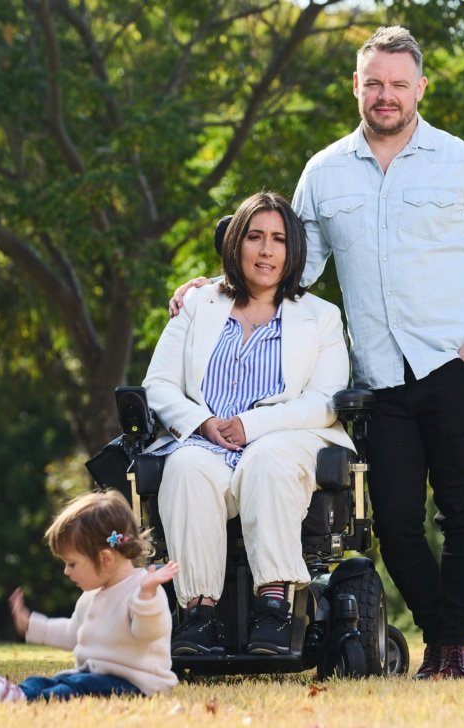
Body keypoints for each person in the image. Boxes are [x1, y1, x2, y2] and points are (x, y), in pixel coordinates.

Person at [170, 27, 464, 678]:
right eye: (374, 83)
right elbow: (288, 266)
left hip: (458, 367)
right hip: (376, 380)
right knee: (393, 524)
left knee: (462, 511)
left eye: (398, 83)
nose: (385, 94)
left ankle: (455, 651)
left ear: (420, 88)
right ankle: (439, 631)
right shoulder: (324, 172)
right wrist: (215, 284)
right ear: (356, 88)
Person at [142, 191, 353, 657]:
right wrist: (202, 423)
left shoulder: (320, 317)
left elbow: (325, 401)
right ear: (236, 244)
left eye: (278, 239)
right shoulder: (198, 304)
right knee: (186, 468)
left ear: (292, 251)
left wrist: (252, 425)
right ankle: (198, 614)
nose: (266, 250)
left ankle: (276, 608)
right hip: (207, 442)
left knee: (267, 457)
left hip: (283, 440)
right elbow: (157, 384)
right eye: (255, 237)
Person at [0, 490, 179, 702]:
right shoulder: (92, 597)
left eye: (72, 563)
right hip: (94, 678)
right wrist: (31, 625)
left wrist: (146, 596)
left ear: (105, 558)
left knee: (73, 687)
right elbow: (73, 633)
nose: (66, 571)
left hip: (137, 687)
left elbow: (149, 632)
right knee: (45, 681)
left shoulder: (144, 589)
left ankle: (21, 701)